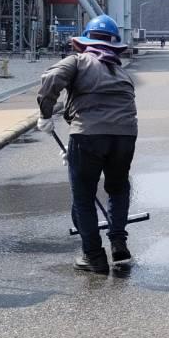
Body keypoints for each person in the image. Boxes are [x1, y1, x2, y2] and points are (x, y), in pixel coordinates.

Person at [37, 14, 137, 275]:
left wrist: (45, 115)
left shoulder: (78, 61)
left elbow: (50, 79)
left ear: (85, 41)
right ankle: (118, 242)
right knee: (118, 188)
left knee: (83, 196)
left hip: (88, 135)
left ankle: (93, 257)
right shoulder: (121, 71)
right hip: (125, 136)